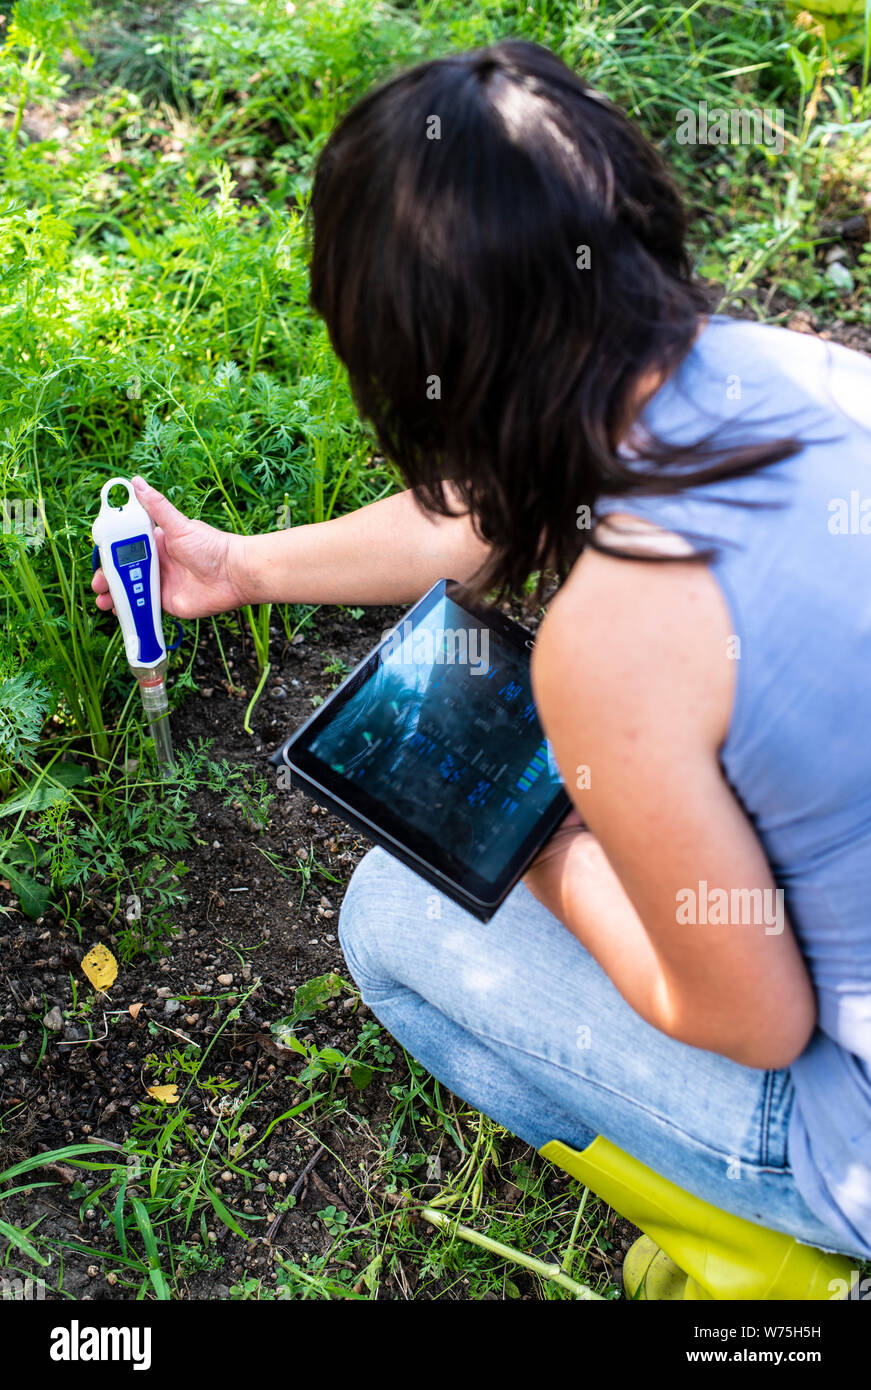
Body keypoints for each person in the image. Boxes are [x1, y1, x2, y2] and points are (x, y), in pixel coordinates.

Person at [93, 41, 871, 1299]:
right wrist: (232, 565)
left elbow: (752, 1019)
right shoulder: (796, 376)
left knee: (393, 922)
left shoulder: (617, 647)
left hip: (856, 1126)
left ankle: (780, 1267)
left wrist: (545, 845)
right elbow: (489, 513)